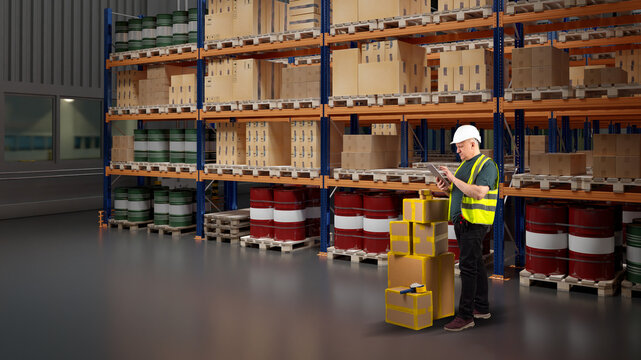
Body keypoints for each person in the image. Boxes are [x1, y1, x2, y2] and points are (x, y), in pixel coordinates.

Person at [435, 125, 499, 332]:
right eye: (457, 147)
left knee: (468, 268)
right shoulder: (464, 166)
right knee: (476, 264)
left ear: (473, 143)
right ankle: (481, 307)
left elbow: (479, 193)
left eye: (461, 146)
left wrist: (453, 178)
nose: (458, 151)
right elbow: (459, 194)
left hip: (475, 222)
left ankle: (465, 316)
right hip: (462, 222)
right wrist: (446, 188)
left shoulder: (487, 165)